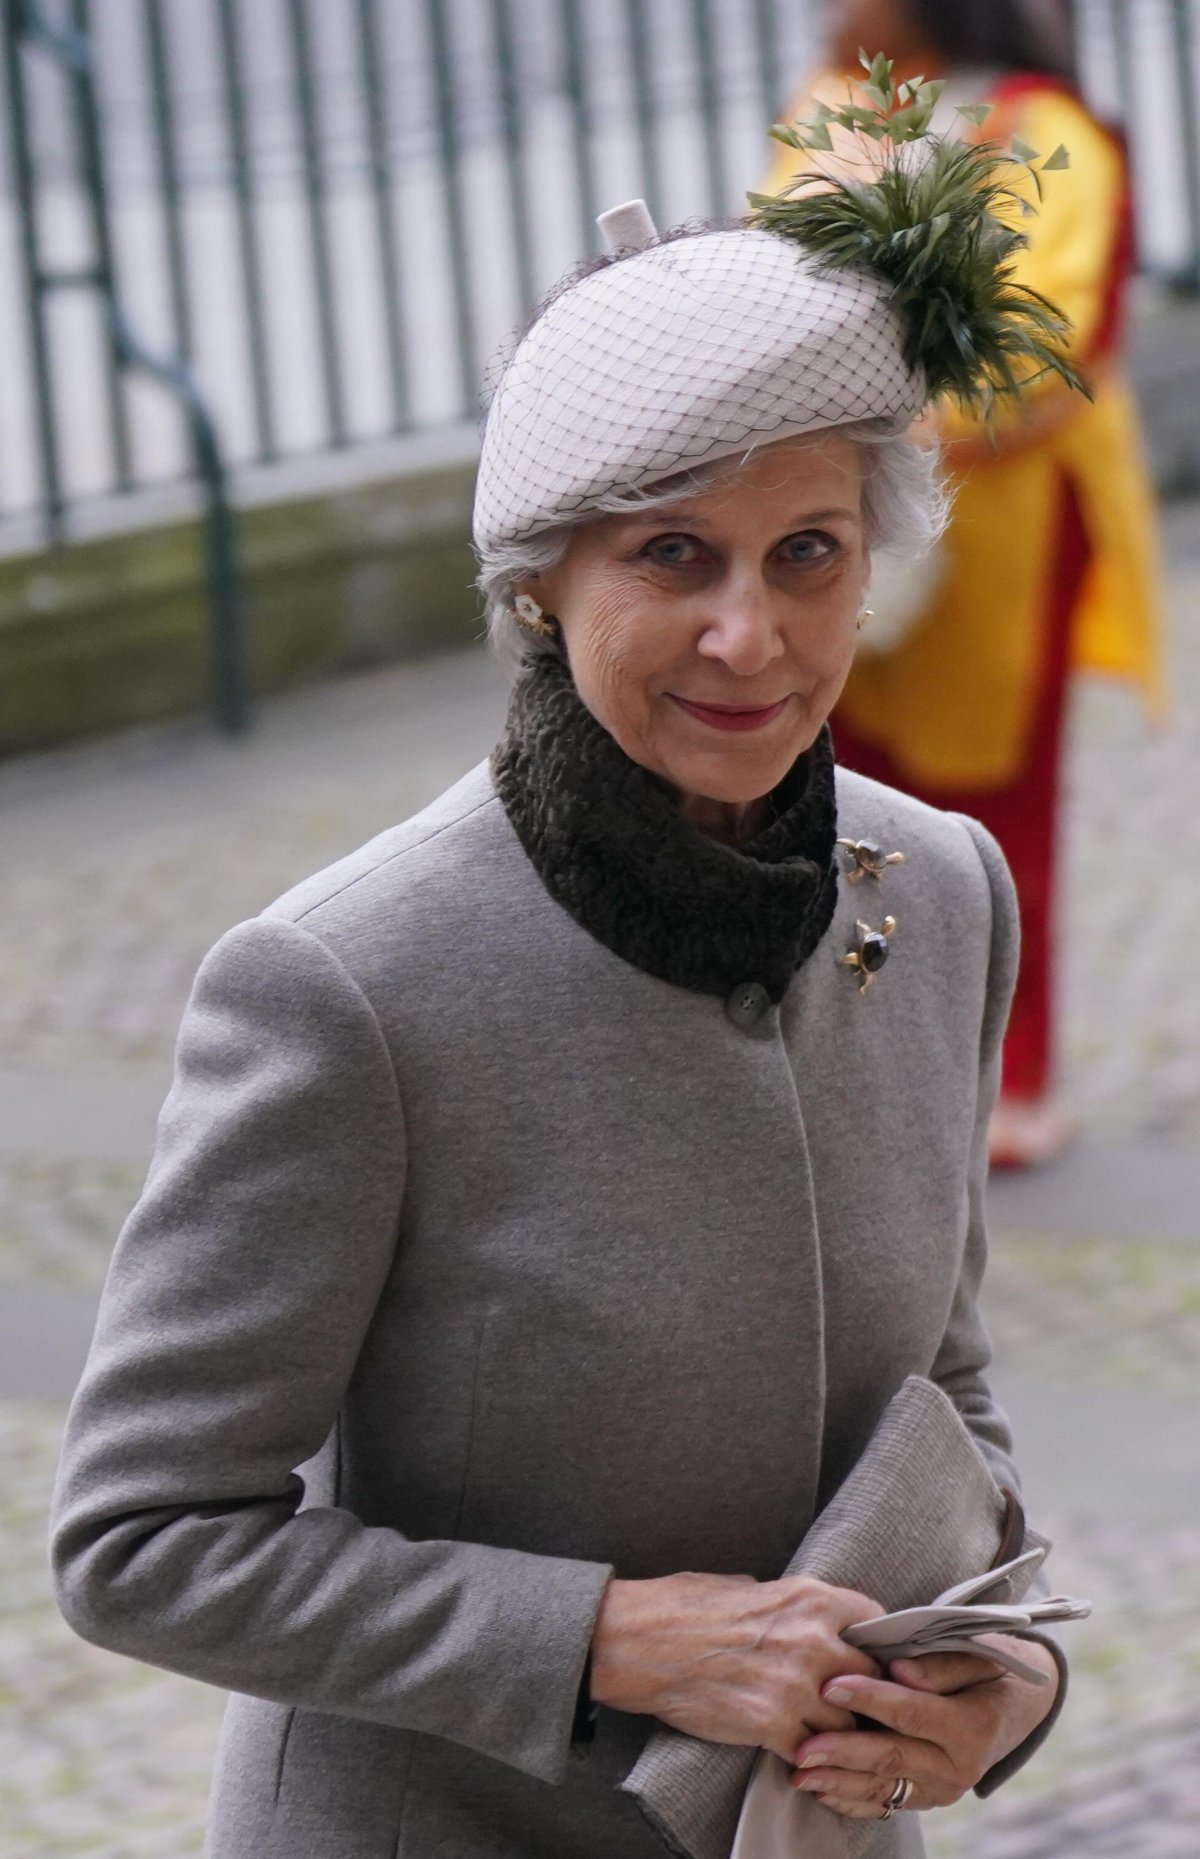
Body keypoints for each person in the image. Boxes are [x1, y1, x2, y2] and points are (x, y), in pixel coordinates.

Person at [52, 75, 1071, 1858]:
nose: (749, 634)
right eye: (670, 555)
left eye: (806, 555)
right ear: (540, 585)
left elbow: (949, 1398)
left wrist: (995, 1677)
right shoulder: (343, 983)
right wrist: (612, 1634)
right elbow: (141, 1537)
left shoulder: (949, 887)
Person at [764, 0, 1165, 1168]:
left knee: (996, 797)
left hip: (1005, 525)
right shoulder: (833, 106)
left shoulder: (1051, 132)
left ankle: (1010, 1070)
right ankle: (858, 1053)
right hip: (835, 511)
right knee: (836, 791)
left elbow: (1045, 340)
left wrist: (875, 422)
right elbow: (776, 274)